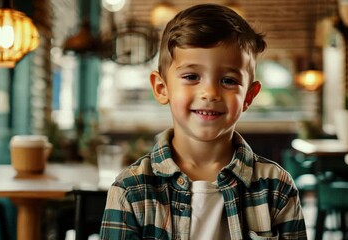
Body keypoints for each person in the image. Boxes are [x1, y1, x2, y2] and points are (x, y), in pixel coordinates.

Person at [100, 3, 306, 240]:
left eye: (228, 80)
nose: (210, 92)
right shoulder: (130, 189)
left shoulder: (276, 186)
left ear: (249, 96)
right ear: (161, 88)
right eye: (191, 77)